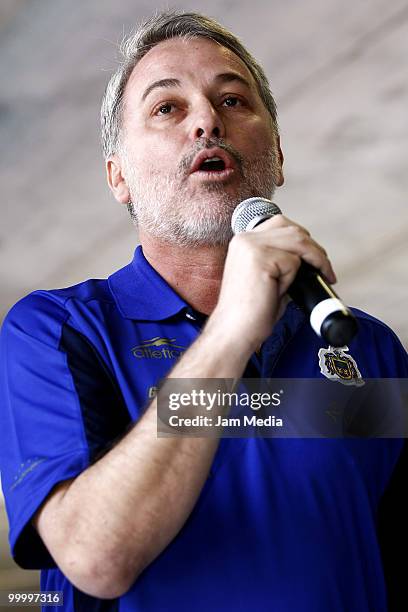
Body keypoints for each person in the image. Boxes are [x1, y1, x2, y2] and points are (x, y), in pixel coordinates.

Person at [0, 10, 407, 612]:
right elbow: (95, 557)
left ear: (277, 155)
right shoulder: (58, 331)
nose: (208, 120)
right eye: (167, 108)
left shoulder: (363, 346)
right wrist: (230, 334)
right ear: (119, 177)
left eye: (234, 99)